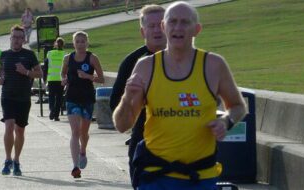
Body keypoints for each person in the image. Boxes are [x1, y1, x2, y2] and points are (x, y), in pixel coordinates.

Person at [113, 2, 247, 189]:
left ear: (197, 29)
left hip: (200, 176)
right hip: (156, 176)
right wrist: (127, 98)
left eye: (185, 22)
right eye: (172, 21)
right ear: (164, 26)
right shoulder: (145, 67)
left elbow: (238, 106)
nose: (178, 27)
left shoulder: (213, 65)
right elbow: (121, 125)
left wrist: (226, 121)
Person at [109, 4, 165, 187]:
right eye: (152, 25)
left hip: (183, 147)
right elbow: (114, 104)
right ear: (143, 31)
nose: (158, 29)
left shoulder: (187, 59)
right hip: (145, 143)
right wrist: (133, 100)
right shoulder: (133, 62)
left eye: (162, 24)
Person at [0, 25, 42, 176]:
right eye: (14, 37)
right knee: (9, 126)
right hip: (7, 96)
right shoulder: (4, 55)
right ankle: (7, 159)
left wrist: (26, 72)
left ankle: (16, 160)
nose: (16, 40)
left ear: (23, 40)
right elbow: (0, 71)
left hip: (23, 97)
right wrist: (0, 78)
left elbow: (40, 74)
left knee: (20, 130)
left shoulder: (29, 55)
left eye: (19, 37)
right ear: (10, 38)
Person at [61, 31, 105, 178]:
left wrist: (87, 76)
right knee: (75, 132)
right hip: (72, 97)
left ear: (87, 43)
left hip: (87, 98)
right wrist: (64, 80)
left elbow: (101, 79)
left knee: (83, 133)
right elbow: (63, 74)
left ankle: (83, 151)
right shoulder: (67, 58)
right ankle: (75, 167)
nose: (80, 44)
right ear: (73, 43)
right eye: (77, 41)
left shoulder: (92, 58)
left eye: (83, 41)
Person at [44, 37, 66, 121]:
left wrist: (44, 78)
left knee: (51, 96)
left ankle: (52, 110)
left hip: (51, 78)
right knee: (59, 97)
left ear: (55, 44)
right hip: (61, 79)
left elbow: (45, 67)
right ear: (63, 45)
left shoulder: (49, 53)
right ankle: (56, 115)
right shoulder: (65, 54)